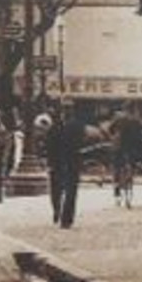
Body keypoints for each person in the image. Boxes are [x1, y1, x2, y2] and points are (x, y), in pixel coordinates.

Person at [45, 97, 86, 228]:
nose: (66, 111)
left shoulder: (77, 126)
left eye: (68, 109)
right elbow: (49, 145)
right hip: (57, 162)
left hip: (72, 161)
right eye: (64, 109)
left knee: (71, 191)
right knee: (56, 190)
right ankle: (57, 210)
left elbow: (81, 143)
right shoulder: (55, 126)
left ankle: (66, 219)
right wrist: (50, 161)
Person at [109, 101, 142, 204]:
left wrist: (114, 137)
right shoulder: (135, 120)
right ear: (133, 108)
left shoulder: (117, 118)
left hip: (118, 146)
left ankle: (117, 191)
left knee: (117, 167)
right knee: (131, 165)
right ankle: (129, 182)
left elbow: (110, 129)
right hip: (130, 147)